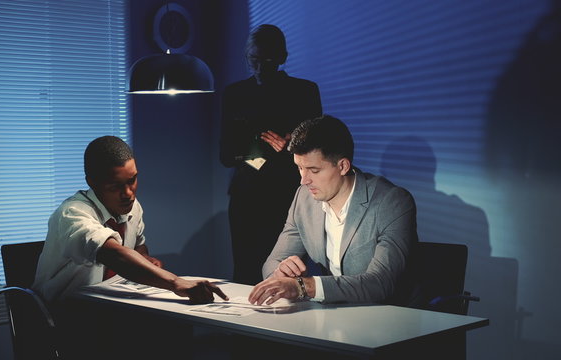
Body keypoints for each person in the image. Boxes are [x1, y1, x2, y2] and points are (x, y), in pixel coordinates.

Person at [33, 135, 227, 304]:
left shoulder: (132, 206)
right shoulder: (72, 214)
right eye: (115, 186)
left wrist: (145, 259)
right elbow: (115, 255)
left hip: (109, 308)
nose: (128, 194)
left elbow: (137, 248)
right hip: (64, 315)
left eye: (132, 180)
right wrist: (175, 282)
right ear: (92, 182)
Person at [248, 115, 417, 305]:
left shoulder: (391, 202)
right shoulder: (304, 198)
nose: (304, 180)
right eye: (299, 168)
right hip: (333, 318)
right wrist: (281, 274)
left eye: (314, 170)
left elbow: (380, 283)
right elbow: (271, 264)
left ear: (343, 166)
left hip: (391, 319)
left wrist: (304, 287)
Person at [220, 24, 322, 285]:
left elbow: (319, 149)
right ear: (246, 57)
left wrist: (291, 142)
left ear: (282, 58)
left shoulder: (304, 92)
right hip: (247, 197)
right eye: (254, 60)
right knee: (245, 272)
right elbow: (225, 155)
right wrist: (260, 150)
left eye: (267, 60)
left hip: (287, 197)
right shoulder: (235, 94)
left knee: (288, 273)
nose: (260, 68)